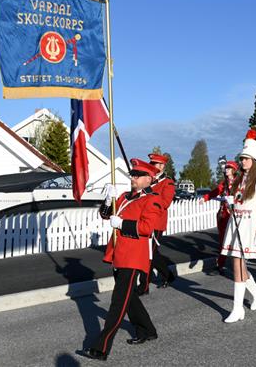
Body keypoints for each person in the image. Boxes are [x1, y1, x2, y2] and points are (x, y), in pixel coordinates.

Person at [79, 159, 164, 361]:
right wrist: (108, 199)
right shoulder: (125, 197)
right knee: (129, 297)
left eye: (137, 175)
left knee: (118, 302)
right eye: (132, 174)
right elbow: (105, 215)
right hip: (119, 253)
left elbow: (146, 228)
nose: (133, 178)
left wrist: (123, 223)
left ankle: (101, 347)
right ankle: (147, 329)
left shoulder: (151, 200)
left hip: (133, 256)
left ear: (148, 179)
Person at [220, 129, 256, 323]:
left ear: (254, 161)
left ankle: (237, 308)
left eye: (246, 159)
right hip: (235, 225)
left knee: (239, 264)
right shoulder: (239, 180)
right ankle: (255, 293)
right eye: (241, 159)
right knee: (237, 265)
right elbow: (237, 202)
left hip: (249, 227)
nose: (242, 162)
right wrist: (230, 201)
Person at [136, 153, 177, 295]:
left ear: (164, 166)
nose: (157, 167)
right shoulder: (148, 179)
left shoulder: (168, 182)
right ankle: (168, 274)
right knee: (149, 253)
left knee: (149, 254)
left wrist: (150, 193)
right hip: (143, 221)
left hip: (156, 223)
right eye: (154, 164)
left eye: (160, 165)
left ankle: (144, 286)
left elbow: (165, 203)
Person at [202, 160, 239, 274]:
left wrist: (234, 201)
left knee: (234, 241)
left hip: (234, 215)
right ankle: (220, 265)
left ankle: (238, 265)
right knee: (223, 240)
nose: (226, 170)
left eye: (228, 168)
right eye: (226, 168)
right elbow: (215, 191)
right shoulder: (224, 183)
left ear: (234, 170)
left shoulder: (239, 183)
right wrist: (205, 198)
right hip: (223, 214)